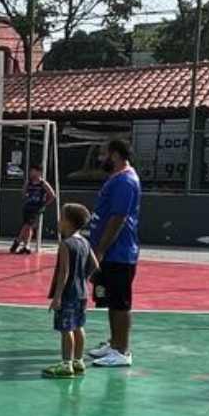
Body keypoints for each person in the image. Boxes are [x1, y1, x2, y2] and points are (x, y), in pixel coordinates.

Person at [86, 138, 141, 368]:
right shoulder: (116, 178)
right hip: (111, 253)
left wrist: (100, 249)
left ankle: (122, 351)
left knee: (120, 303)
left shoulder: (125, 181)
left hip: (119, 254)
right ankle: (114, 343)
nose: (100, 158)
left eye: (103, 154)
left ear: (115, 155)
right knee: (111, 300)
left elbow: (118, 218)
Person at [43, 203, 99, 379]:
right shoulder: (85, 242)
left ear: (68, 222)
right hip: (82, 293)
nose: (58, 221)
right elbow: (95, 265)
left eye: (61, 218)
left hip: (68, 294)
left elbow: (64, 273)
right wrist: (82, 278)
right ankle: (78, 361)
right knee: (79, 326)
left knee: (66, 329)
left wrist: (57, 297)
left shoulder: (65, 244)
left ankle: (66, 364)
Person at [11, 165, 57, 255]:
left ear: (39, 172)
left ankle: (17, 242)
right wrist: (26, 194)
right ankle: (26, 246)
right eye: (31, 171)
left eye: (33, 171)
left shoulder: (43, 183)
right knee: (28, 226)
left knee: (27, 225)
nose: (31, 173)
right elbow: (23, 193)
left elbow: (52, 195)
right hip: (28, 206)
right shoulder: (29, 182)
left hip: (36, 208)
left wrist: (44, 204)